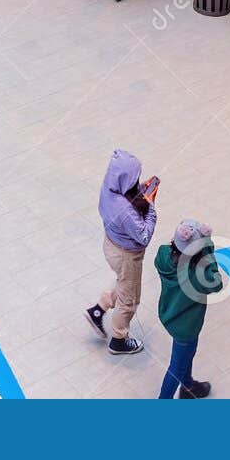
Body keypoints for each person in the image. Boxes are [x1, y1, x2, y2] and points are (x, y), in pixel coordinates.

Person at [86, 149, 158, 355]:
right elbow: (143, 235)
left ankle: (98, 310)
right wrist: (151, 205)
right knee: (130, 299)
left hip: (111, 245)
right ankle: (118, 339)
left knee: (124, 283)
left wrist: (138, 193)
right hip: (127, 256)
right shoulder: (125, 210)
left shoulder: (109, 189)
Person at [155, 219, 222, 398]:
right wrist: (207, 249)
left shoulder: (163, 254)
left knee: (186, 355)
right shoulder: (199, 275)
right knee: (177, 366)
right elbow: (217, 283)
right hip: (187, 325)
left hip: (168, 313)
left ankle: (189, 385)